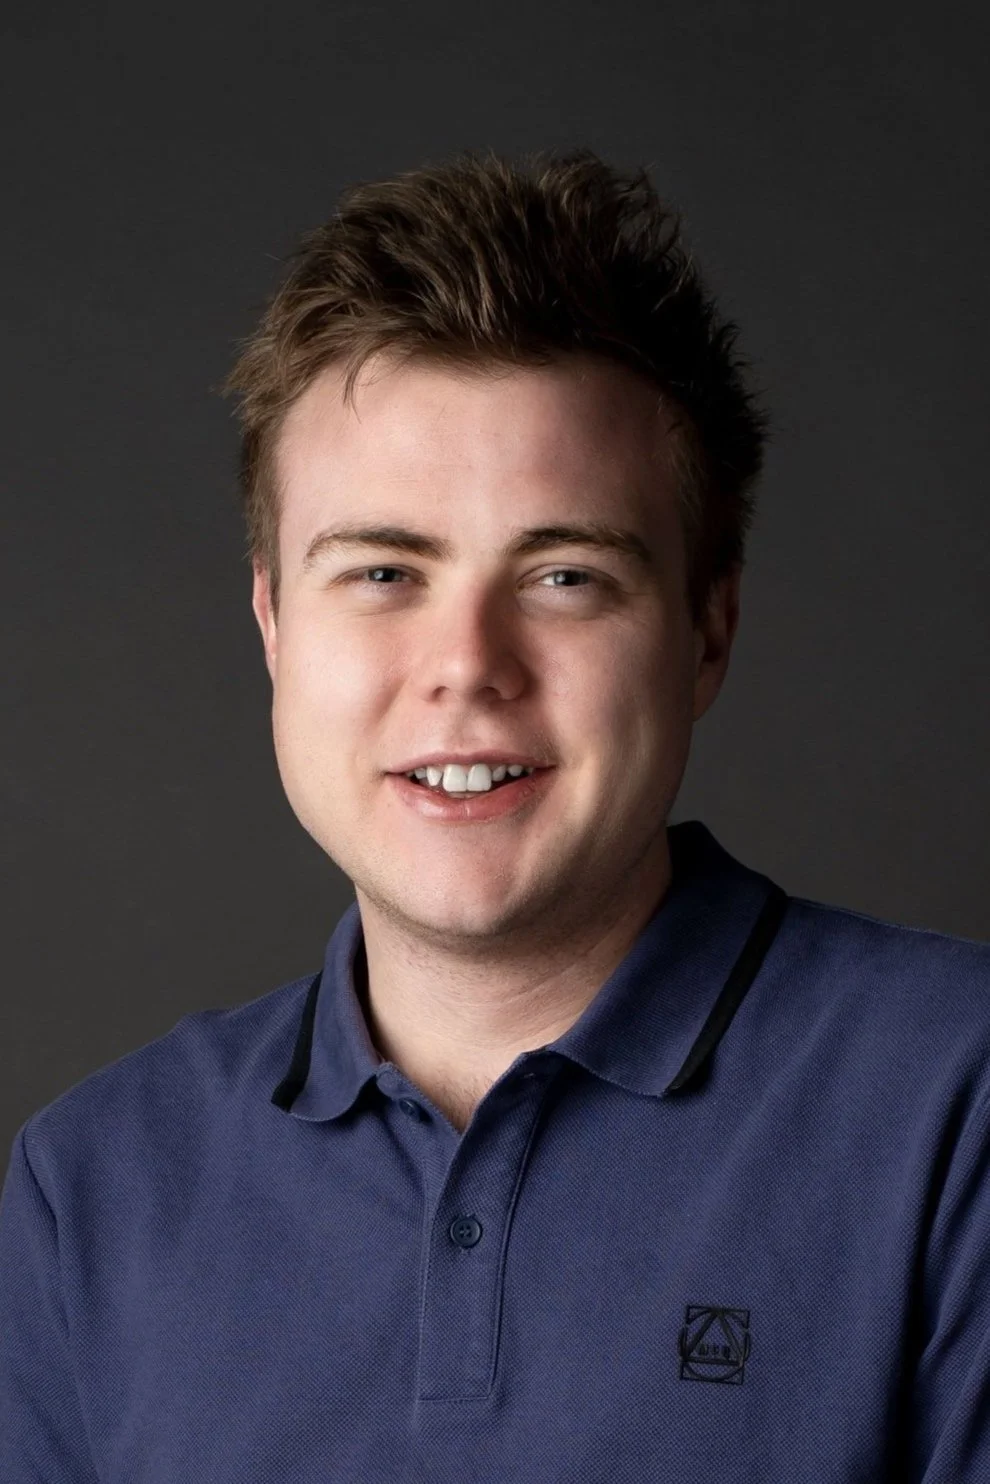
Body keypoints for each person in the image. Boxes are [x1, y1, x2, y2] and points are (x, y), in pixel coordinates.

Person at [1, 147, 988, 1484]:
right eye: (383, 571)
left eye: (566, 574)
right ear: (272, 624)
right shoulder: (90, 1189)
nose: (466, 662)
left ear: (707, 632)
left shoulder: (955, 1103)